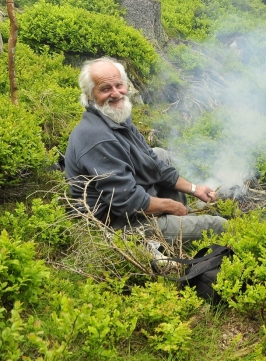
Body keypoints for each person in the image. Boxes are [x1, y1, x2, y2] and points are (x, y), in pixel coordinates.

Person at [64, 57, 226, 243]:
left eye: (119, 85)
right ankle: (177, 225)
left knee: (160, 154)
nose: (116, 94)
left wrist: (195, 189)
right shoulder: (97, 137)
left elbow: (152, 161)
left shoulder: (116, 116)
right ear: (90, 95)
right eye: (105, 89)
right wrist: (171, 206)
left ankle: (179, 223)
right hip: (116, 223)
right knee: (220, 226)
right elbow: (126, 201)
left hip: (129, 202)